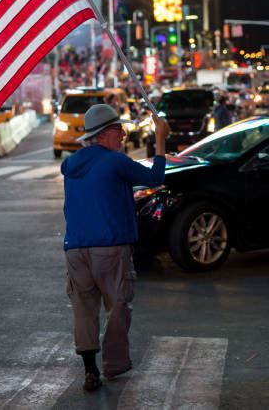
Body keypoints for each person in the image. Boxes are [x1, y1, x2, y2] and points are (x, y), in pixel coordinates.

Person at [61, 103, 170, 392]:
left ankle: (89, 371)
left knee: (84, 311)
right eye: (117, 131)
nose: (122, 136)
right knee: (118, 306)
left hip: (75, 249)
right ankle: (114, 363)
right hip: (109, 248)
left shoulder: (72, 165)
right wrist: (160, 139)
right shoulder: (114, 161)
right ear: (103, 134)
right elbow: (155, 177)